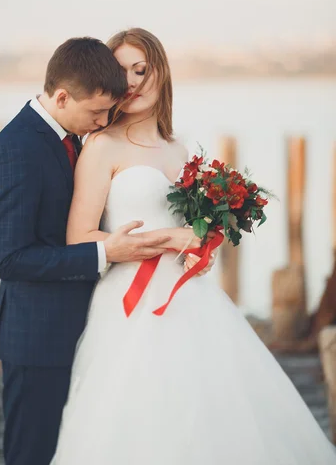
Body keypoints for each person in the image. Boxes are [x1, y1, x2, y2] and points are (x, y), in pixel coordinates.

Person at [51, 28, 336, 464]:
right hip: (132, 305)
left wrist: (203, 245)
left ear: (161, 72)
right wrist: (166, 239)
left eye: (140, 69)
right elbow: (80, 239)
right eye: (120, 71)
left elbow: (188, 227)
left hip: (192, 300)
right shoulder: (101, 147)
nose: (130, 82)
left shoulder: (177, 147)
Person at [0, 37, 204, 465]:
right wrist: (107, 253)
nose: (104, 120)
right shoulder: (18, 147)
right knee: (33, 452)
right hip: (38, 337)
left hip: (93, 325)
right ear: (63, 96)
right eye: (97, 112)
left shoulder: (72, 138)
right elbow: (11, 259)